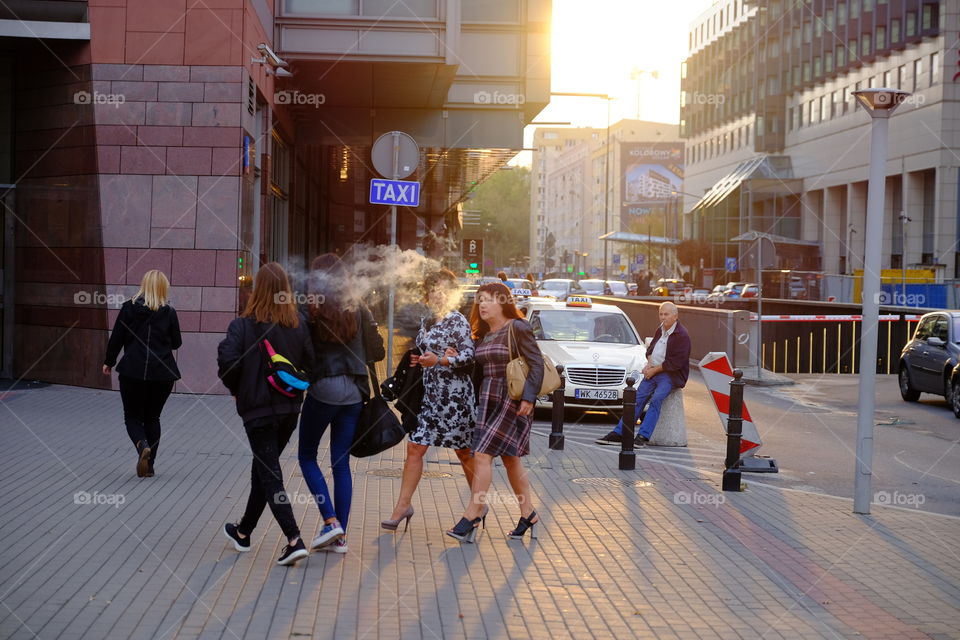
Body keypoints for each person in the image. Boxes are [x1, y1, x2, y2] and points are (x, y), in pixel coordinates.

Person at [217, 262, 315, 566]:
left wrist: (237, 388)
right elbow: (311, 364)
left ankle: (294, 538)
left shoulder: (242, 326)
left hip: (258, 410)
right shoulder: (297, 324)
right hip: (289, 409)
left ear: (257, 290)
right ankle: (244, 532)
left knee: (269, 472)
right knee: (264, 466)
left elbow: (227, 362)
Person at [298, 254, 385, 554]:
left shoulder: (311, 305)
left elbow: (301, 348)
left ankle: (331, 521)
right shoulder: (358, 305)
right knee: (340, 463)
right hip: (355, 391)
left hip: (324, 387)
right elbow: (378, 350)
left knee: (307, 456)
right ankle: (341, 537)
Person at [446, 283, 544, 543]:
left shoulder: (518, 327)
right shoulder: (484, 333)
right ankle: (529, 513)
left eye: (488, 300)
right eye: (480, 301)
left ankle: (473, 513)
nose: (482, 306)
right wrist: (455, 356)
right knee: (511, 460)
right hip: (488, 400)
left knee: (481, 455)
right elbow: (479, 368)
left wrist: (529, 398)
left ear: (503, 302)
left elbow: (535, 363)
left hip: (512, 400)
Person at [382, 269, 476, 531]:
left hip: (455, 398)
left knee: (464, 453)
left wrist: (442, 360)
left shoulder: (457, 320)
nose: (437, 294)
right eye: (433, 289)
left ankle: (477, 504)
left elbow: (469, 356)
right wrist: (419, 360)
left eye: (443, 289)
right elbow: (426, 352)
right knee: (415, 447)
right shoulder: (427, 321)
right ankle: (403, 506)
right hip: (430, 397)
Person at [103, 269, 182, 478]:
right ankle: (150, 466)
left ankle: (142, 446)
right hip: (162, 373)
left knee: (132, 416)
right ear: (163, 288)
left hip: (132, 371)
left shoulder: (129, 308)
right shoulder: (169, 312)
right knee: (153, 417)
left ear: (143, 286)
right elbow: (177, 343)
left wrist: (108, 361)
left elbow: (117, 338)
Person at [596, 301, 691, 446]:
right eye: (661, 314)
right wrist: (648, 364)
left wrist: (654, 370)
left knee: (656, 400)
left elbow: (675, 363)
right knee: (637, 399)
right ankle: (620, 433)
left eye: (666, 314)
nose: (663, 317)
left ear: (675, 316)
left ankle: (643, 436)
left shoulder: (682, 335)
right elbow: (650, 349)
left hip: (670, 375)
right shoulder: (661, 329)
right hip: (654, 370)